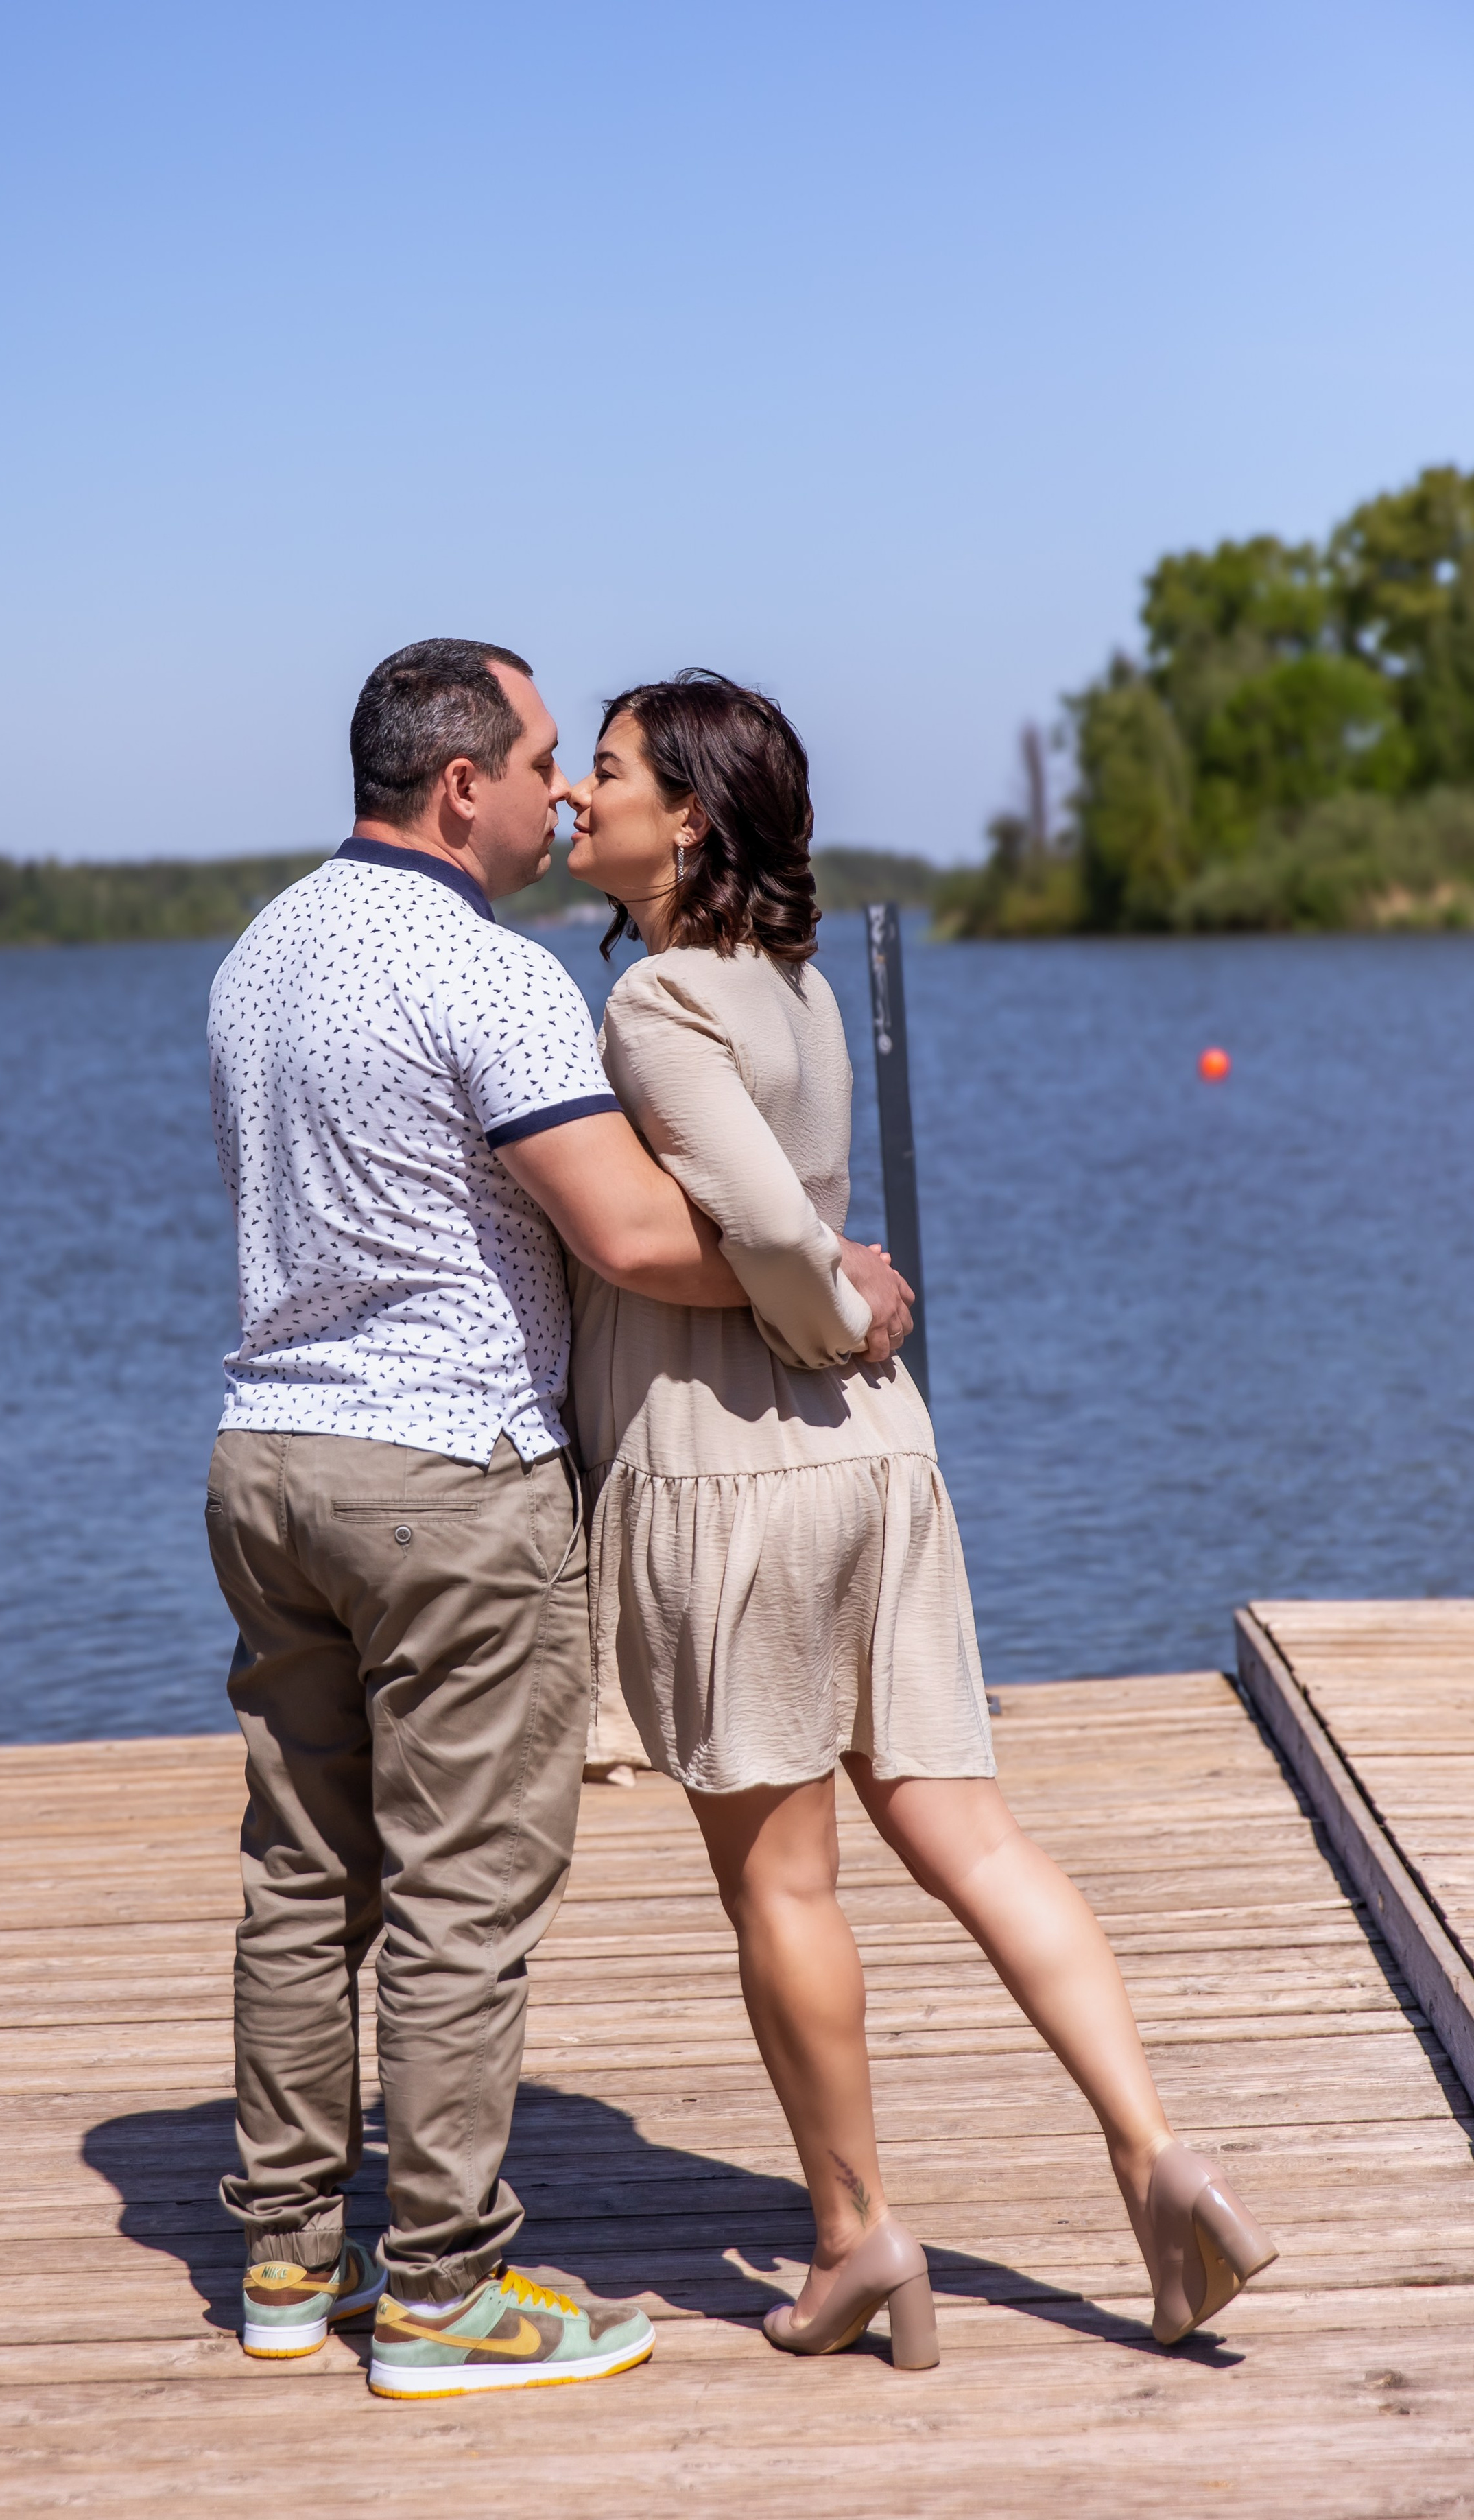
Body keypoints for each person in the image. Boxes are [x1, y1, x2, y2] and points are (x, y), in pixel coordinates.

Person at [203, 638, 904, 2400]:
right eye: (539, 759)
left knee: (303, 1875)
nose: (562, 791)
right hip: (445, 1481)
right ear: (462, 789)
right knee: (463, 1891)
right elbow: (637, 1237)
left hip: (268, 1456)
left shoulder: (259, 953)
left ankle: (291, 2256)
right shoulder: (489, 976)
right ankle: (439, 2292)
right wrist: (840, 1281)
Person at [562, 669, 1278, 2368]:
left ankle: (855, 2240)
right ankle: (1154, 2150)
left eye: (605, 776)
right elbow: (799, 1202)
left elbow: (749, 1221)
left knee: (785, 1892)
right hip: (877, 1461)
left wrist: (840, 1307)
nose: (579, 801)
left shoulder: (658, 1001)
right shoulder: (795, 982)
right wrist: (854, 1315)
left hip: (736, 1465)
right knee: (973, 1838)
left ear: (690, 818)